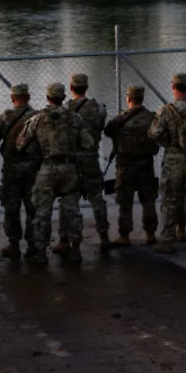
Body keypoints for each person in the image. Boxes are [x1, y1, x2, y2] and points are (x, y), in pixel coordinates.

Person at [17, 82, 93, 265]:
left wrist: (36, 149)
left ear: (47, 98)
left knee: (42, 212)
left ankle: (42, 252)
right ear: (63, 98)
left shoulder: (37, 119)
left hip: (47, 169)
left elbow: (20, 144)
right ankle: (75, 250)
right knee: (72, 210)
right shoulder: (75, 118)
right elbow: (88, 143)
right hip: (68, 168)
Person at [149, 73, 186, 254]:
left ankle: (167, 241)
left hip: (173, 160)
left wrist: (167, 143)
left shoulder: (166, 110)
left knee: (169, 199)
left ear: (173, 86)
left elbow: (155, 133)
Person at [55, 73, 111, 255]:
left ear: (71, 89)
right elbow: (101, 127)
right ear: (86, 87)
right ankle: (104, 236)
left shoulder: (64, 110)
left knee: (67, 200)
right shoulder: (99, 108)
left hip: (71, 161)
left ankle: (65, 238)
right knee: (97, 198)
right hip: (90, 158)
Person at [103, 85, 158, 246]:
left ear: (128, 98)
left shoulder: (120, 119)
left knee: (125, 202)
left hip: (125, 166)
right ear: (142, 98)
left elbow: (107, 131)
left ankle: (125, 235)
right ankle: (150, 234)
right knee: (148, 200)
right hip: (146, 165)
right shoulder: (151, 118)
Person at [0, 83, 39, 260]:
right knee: (33, 207)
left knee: (11, 207)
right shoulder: (37, 117)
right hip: (33, 169)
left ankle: (14, 244)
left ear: (12, 98)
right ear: (28, 97)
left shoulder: (4, 117)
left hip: (11, 168)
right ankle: (33, 245)